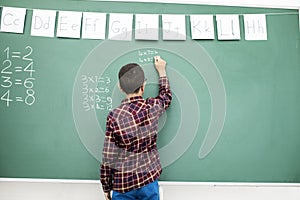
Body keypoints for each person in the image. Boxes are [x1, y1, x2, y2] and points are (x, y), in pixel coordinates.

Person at [100, 56, 172, 200]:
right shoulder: (152, 107)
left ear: (120, 88)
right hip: (148, 180)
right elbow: (166, 96)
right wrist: (162, 71)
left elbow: (108, 157)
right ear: (143, 86)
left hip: (123, 185)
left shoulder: (114, 117)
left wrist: (106, 187)